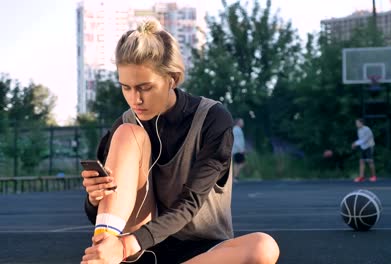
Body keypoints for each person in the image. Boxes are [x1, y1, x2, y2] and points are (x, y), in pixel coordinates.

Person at [80, 20, 279, 264]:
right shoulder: (125, 123)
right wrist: (95, 198)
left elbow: (190, 203)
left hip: (203, 252)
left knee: (264, 248)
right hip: (139, 250)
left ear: (172, 78)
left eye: (145, 87)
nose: (135, 99)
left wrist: (123, 247)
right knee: (126, 132)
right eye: (126, 88)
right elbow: (98, 213)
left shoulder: (213, 118)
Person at [351, 118, 377, 182]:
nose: (356, 124)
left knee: (370, 161)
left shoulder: (367, 129)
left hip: (369, 146)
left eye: (357, 123)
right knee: (361, 161)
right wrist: (355, 143)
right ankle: (361, 177)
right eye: (356, 123)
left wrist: (355, 144)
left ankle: (373, 176)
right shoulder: (359, 130)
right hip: (363, 147)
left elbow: (366, 139)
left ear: (361, 123)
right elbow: (361, 139)